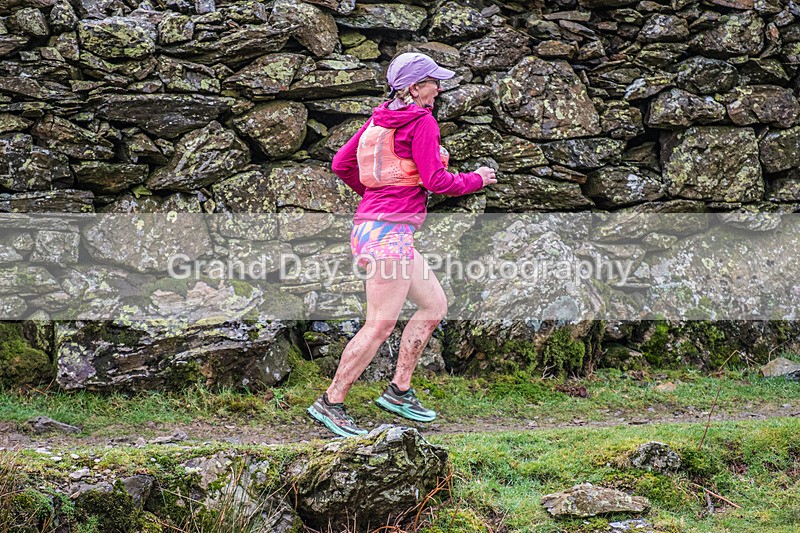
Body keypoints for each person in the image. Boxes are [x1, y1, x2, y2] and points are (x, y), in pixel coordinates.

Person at [306, 52, 497, 438]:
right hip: (388, 234)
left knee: (434, 305)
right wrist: (476, 178)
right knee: (380, 324)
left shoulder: (378, 119)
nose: (439, 89)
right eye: (433, 82)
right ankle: (331, 401)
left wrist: (380, 195)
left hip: (374, 227)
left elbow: (341, 164)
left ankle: (399, 390)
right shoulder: (422, 122)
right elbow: (437, 181)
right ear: (413, 87)